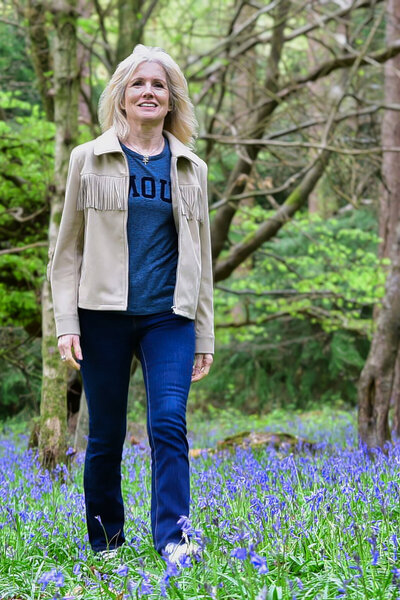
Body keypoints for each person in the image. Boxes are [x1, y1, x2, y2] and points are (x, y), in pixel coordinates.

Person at [48, 44, 214, 563]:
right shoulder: (87, 158)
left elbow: (203, 259)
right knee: (106, 433)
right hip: (102, 317)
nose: (148, 91)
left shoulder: (191, 168)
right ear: (121, 97)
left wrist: (204, 334)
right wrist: (66, 322)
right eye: (138, 84)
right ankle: (107, 543)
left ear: (171, 100)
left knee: (168, 423)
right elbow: (67, 252)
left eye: (158, 85)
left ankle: (175, 539)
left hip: (169, 317)